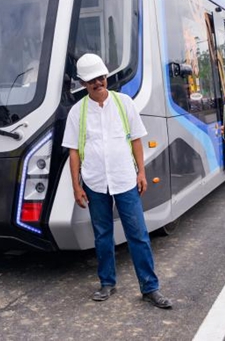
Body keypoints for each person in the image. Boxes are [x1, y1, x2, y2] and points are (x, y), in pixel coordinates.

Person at [62, 53, 172, 309]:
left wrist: (141, 173)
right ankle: (107, 283)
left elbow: (136, 140)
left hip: (125, 180)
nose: (98, 83)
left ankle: (150, 288)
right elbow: (73, 152)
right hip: (95, 182)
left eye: (101, 77)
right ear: (83, 83)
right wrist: (76, 186)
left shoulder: (124, 104)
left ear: (106, 77)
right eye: (91, 80)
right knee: (102, 235)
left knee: (138, 235)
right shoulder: (77, 112)